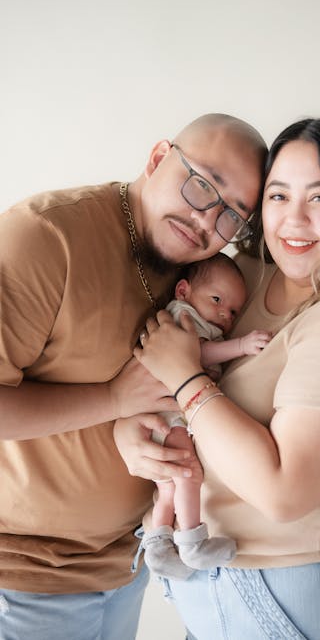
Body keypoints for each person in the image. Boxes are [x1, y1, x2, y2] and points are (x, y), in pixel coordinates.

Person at [115, 117, 320, 640]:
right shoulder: (249, 273)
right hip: (216, 584)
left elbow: (284, 493)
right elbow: (157, 376)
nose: (293, 220)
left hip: (300, 598)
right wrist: (130, 432)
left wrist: (184, 377)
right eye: (279, 195)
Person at [0, 113, 267, 640]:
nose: (206, 220)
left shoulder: (208, 278)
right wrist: (113, 400)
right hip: (21, 578)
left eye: (232, 214)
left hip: (126, 571)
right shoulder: (47, 236)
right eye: (201, 184)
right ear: (157, 157)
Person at [143, 252, 271, 579]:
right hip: (168, 413)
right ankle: (192, 542)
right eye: (216, 299)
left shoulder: (200, 319)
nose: (223, 313)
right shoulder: (182, 316)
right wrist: (240, 345)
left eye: (232, 311)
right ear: (183, 291)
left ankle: (159, 546)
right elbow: (193, 355)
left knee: (171, 485)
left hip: (165, 415)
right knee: (189, 475)